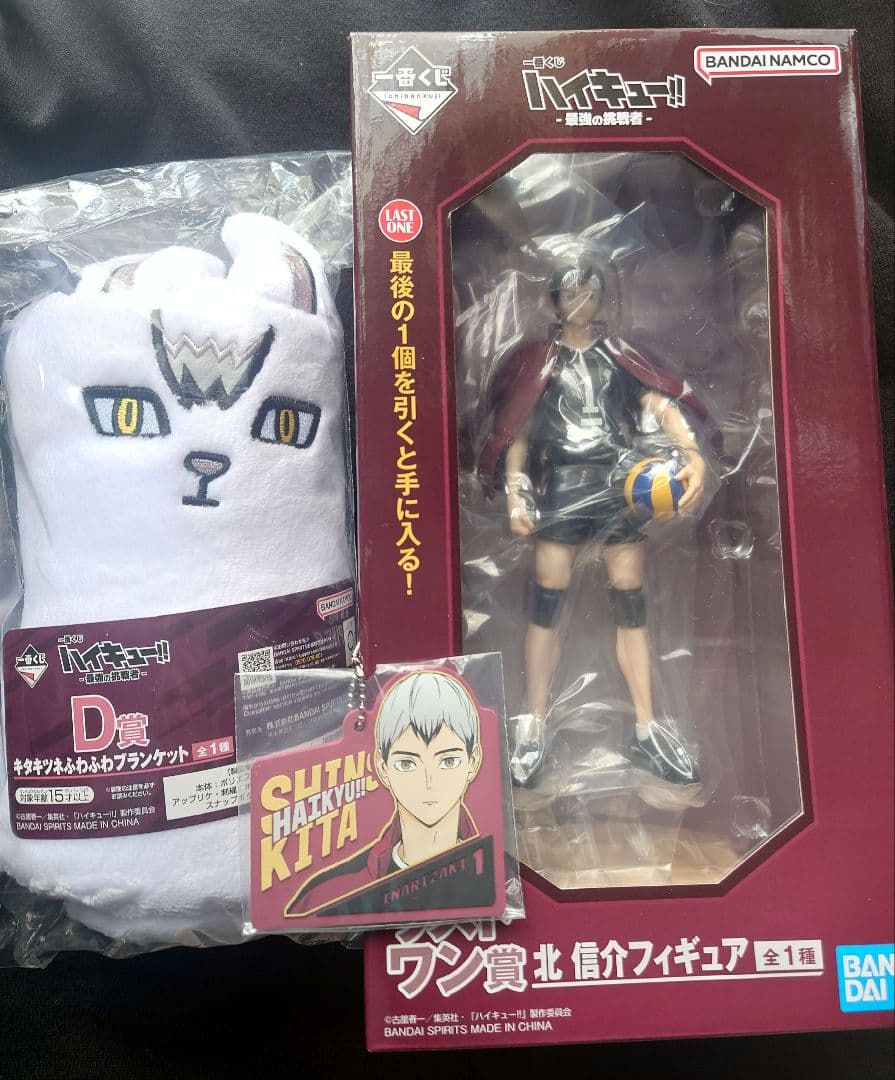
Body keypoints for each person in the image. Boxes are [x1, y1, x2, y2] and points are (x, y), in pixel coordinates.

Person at [478, 256, 708, 788]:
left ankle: (648, 729)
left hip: (619, 488)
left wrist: (692, 452)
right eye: (571, 292)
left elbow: (660, 402)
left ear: (603, 297)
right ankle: (533, 725)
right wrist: (516, 493)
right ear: (555, 300)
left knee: (631, 606)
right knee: (546, 608)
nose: (581, 301)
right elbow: (519, 431)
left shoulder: (618, 357)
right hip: (562, 487)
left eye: (590, 291)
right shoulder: (539, 362)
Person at [287, 669, 483, 916]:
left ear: (473, 761)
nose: (429, 782)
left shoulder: (497, 875)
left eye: (448, 761)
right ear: (383, 768)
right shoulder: (330, 895)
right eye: (407, 764)